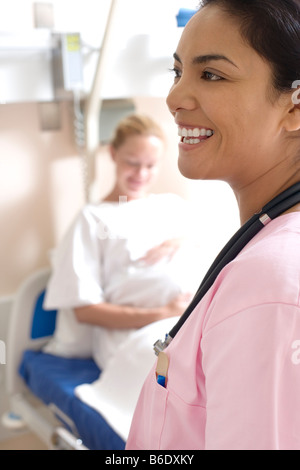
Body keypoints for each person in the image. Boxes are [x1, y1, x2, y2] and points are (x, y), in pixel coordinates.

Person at [126, 0, 300, 450]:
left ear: (295, 109)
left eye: (212, 75)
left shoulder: (270, 284)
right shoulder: (268, 248)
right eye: (178, 71)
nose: (174, 98)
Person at [43, 114, 198, 370]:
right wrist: (163, 313)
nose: (141, 173)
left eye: (151, 165)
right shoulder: (92, 219)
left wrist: (182, 242)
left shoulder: (172, 206)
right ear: (113, 154)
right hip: (138, 336)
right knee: (176, 379)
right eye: (132, 163)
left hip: (192, 324)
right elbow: (85, 310)